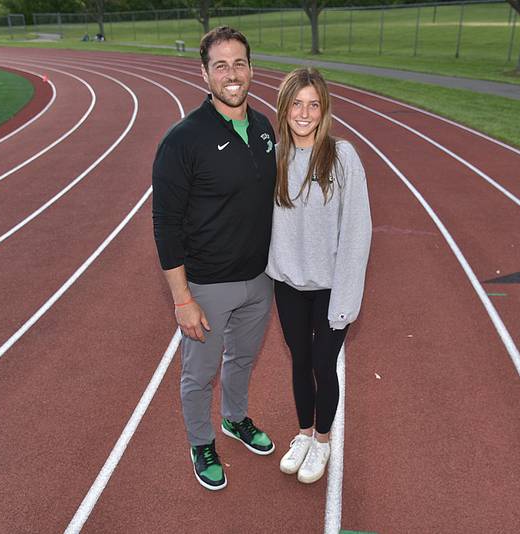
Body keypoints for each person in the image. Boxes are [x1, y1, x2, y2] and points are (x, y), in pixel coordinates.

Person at [152, 26, 278, 491]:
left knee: (242, 360)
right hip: (206, 285)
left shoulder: (264, 128)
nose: (232, 73)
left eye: (239, 63)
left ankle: (235, 419)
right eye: (220, 65)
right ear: (204, 73)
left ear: (251, 69)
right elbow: (165, 224)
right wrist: (182, 298)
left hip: (259, 280)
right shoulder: (182, 141)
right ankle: (201, 441)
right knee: (199, 373)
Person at [267, 68, 372, 484]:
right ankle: (304, 434)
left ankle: (323, 441)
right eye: (297, 103)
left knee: (324, 365)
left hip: (331, 286)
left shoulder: (342, 156)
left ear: (324, 109)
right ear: (284, 108)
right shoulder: (275, 156)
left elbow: (357, 230)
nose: (304, 112)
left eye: (313, 104)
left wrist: (346, 298)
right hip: (288, 283)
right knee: (300, 361)